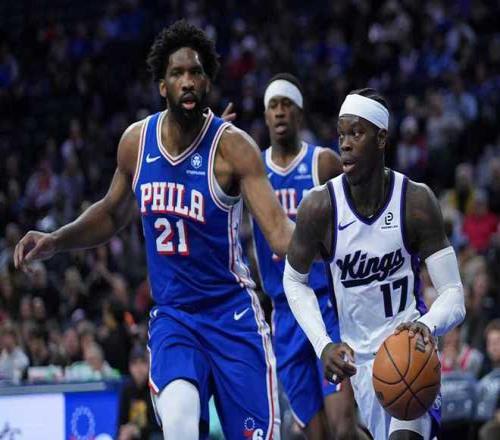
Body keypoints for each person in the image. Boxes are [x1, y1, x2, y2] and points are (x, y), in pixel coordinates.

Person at [14, 20, 292, 439]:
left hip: (231, 315)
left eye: (195, 72)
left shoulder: (233, 148)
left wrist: (331, 226)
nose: (187, 81)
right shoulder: (136, 142)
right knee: (179, 423)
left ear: (207, 82)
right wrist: (56, 240)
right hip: (175, 318)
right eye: (177, 73)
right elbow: (112, 213)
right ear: (162, 85)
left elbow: (280, 233)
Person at [283, 88, 466, 440]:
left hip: (410, 349)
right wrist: (323, 343)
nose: (345, 144)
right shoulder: (320, 207)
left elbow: (454, 294)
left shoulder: (415, 201)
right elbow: (293, 280)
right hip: (361, 363)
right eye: (341, 134)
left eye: (356, 133)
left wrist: (426, 325)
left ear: (381, 138)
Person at [252, 73, 363, 440]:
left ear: (299, 113)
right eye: (273, 106)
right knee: (316, 435)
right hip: (284, 313)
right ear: (266, 116)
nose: (280, 112)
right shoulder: (252, 169)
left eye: (287, 105)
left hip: (325, 305)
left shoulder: (323, 163)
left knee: (343, 430)